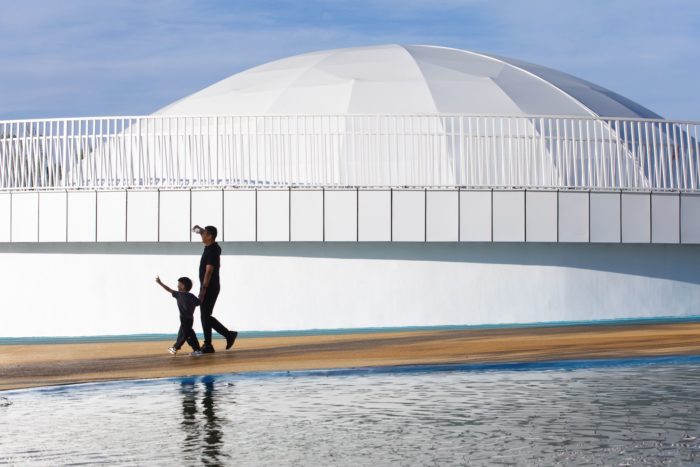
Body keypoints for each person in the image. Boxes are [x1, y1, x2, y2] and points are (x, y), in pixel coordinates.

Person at [192, 224, 237, 353]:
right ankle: (210, 343)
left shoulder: (212, 252)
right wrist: (201, 230)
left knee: (205, 316)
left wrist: (203, 289)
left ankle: (225, 336)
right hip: (209, 287)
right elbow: (203, 233)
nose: (202, 236)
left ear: (210, 236)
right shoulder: (211, 247)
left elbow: (209, 272)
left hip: (209, 288)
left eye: (204, 234)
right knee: (205, 316)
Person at [155, 275, 203, 356]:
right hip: (190, 319)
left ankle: (194, 349)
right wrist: (202, 292)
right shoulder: (191, 296)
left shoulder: (178, 294)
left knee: (186, 334)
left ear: (183, 286)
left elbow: (168, 289)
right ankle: (176, 348)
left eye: (179, 284)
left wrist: (160, 283)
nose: (177, 286)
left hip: (184, 319)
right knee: (183, 333)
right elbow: (199, 302)